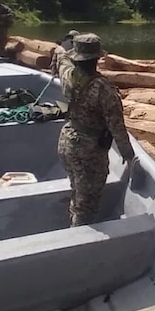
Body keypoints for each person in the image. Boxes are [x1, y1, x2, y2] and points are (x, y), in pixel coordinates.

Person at [56, 33, 134, 226]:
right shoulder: (103, 88)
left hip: (67, 142)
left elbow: (62, 60)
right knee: (88, 205)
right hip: (89, 152)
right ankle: (78, 240)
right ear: (98, 58)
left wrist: (67, 45)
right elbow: (116, 125)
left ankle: (74, 220)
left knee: (77, 190)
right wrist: (127, 153)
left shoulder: (67, 76)